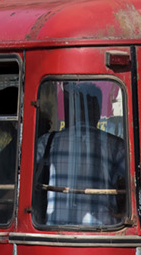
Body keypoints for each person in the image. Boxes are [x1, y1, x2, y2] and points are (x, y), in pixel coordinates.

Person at [36, 83, 128, 226]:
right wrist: (127, 213)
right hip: (103, 231)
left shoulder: (48, 141)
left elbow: (22, 174)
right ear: (98, 110)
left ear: (73, 110)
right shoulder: (115, 145)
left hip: (56, 229)